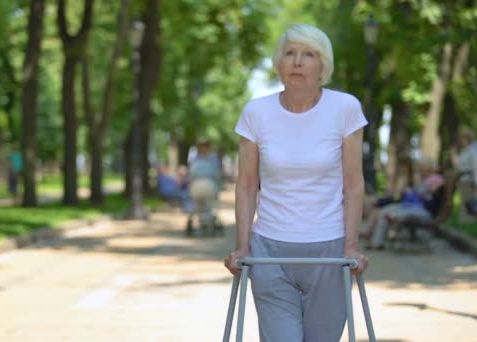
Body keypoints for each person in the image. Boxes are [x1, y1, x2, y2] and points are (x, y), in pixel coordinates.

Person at [223, 23, 369, 341]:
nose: (297, 61)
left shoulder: (345, 108)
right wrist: (242, 246)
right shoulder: (256, 113)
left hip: (329, 251)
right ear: (279, 64)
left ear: (323, 67)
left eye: (309, 54)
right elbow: (247, 185)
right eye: (289, 53)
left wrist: (352, 246)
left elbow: (353, 183)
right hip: (270, 251)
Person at [363, 157, 444, 250]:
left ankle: (383, 236)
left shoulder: (436, 178)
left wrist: (423, 189)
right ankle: (376, 242)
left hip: (423, 210)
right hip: (412, 206)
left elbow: (436, 186)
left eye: (421, 168)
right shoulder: (423, 179)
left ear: (427, 168)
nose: (419, 170)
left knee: (388, 214)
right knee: (383, 212)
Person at [451, 126, 477, 222]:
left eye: (463, 138)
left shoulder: (474, 149)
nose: (461, 141)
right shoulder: (465, 151)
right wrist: (453, 155)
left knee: (472, 200)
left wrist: (476, 180)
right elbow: (458, 165)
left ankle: (475, 219)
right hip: (464, 178)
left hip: (471, 178)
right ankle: (473, 219)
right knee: (467, 200)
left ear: (467, 138)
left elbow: (476, 166)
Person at [187, 138, 223, 235]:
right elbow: (217, 175)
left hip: (196, 186)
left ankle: (202, 223)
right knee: (210, 205)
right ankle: (208, 223)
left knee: (198, 205)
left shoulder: (194, 160)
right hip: (209, 185)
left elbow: (190, 176)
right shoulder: (213, 159)